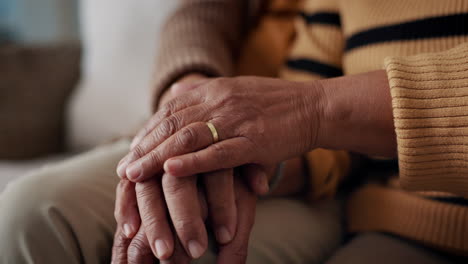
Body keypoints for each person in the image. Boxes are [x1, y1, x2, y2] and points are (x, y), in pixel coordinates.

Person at [1, 0, 468, 263]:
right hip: (274, 145)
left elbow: (320, 100)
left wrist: (298, 119)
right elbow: (204, 12)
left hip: (381, 190)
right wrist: (189, 111)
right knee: (30, 215)